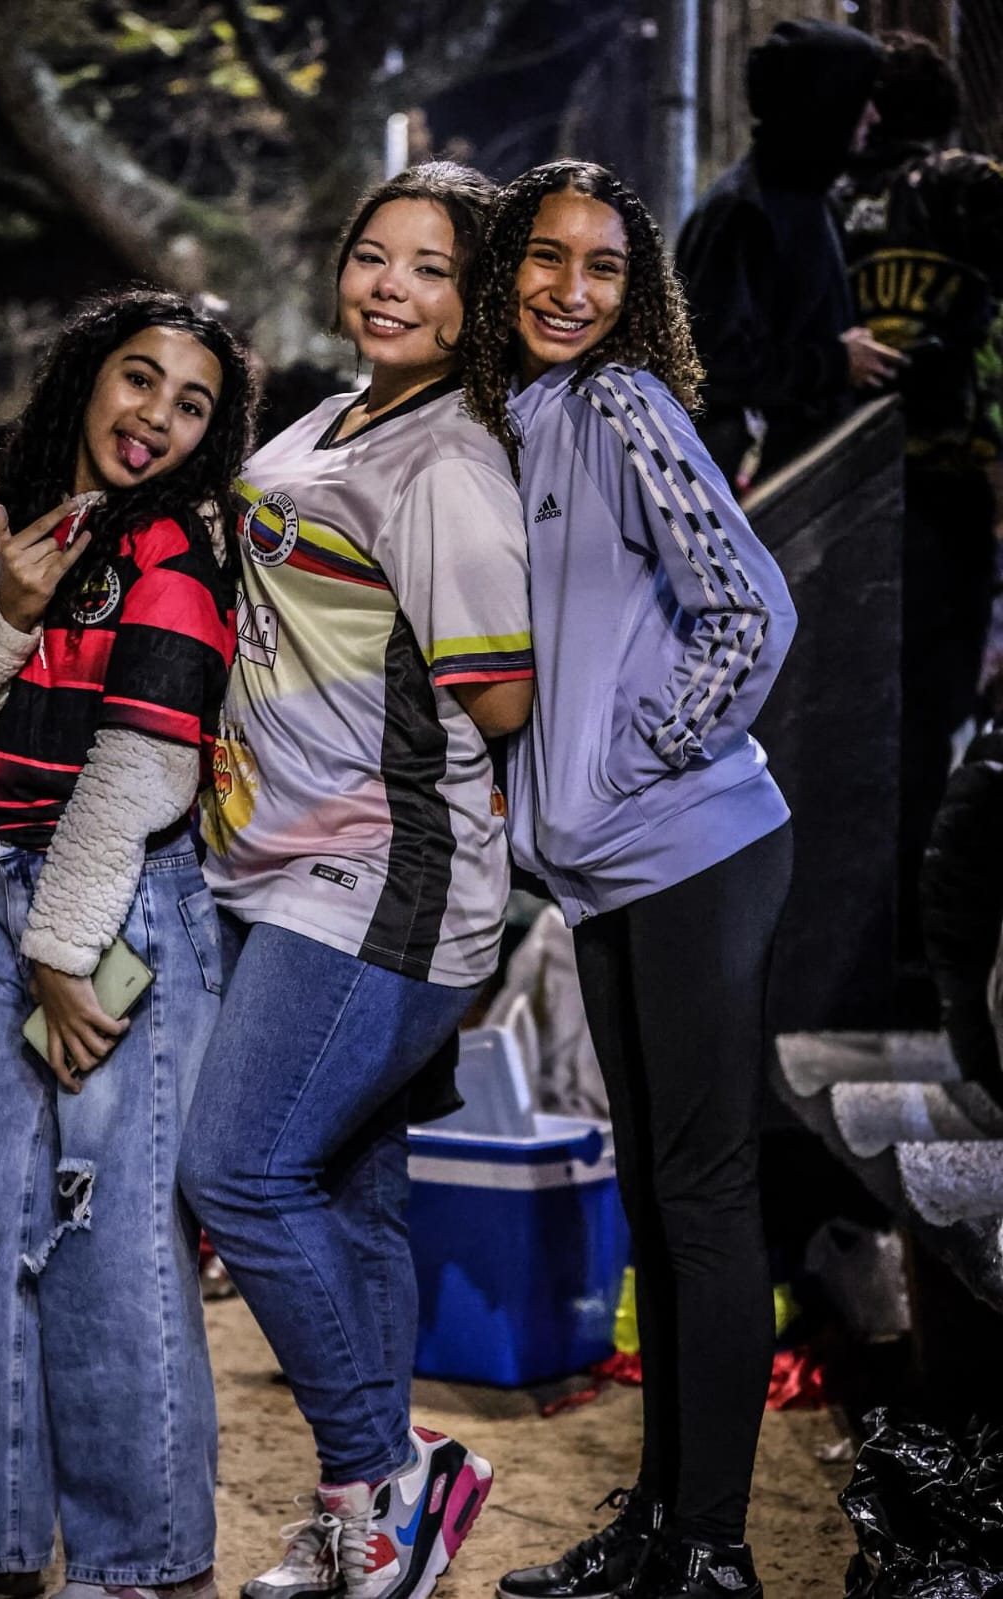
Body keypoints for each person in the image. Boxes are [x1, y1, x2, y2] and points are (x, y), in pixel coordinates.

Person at [177, 163, 534, 1599]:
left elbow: (502, 701)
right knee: (352, 1189)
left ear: (478, 299)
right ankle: (380, 1516)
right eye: (374, 254)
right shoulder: (338, 413)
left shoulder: (449, 463)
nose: (391, 285)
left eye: (433, 268)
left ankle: (380, 1479)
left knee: (241, 1171)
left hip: (381, 871)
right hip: (279, 858)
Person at [0, 288, 253, 1599]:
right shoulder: (13, 529)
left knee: (106, 1235)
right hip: (24, 899)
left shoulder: (178, 553)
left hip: (118, 911)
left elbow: (145, 769)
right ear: (89, 374)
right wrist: (9, 608)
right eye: (139, 378)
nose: (157, 415)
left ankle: (140, 1561)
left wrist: (57, 951)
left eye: (192, 403)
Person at [463, 160, 797, 1599]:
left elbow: (751, 606)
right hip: (614, 871)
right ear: (507, 270)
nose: (571, 289)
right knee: (658, 1205)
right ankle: (661, 1525)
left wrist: (627, 762)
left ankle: (713, 1549)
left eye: (603, 266)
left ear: (637, 289)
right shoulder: (528, 415)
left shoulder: (618, 403)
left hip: (695, 845)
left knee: (702, 1198)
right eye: (546, 257)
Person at [835, 30, 1003, 966]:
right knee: (935, 721)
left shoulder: (821, 198)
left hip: (845, 493)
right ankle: (921, 940)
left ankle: (873, 939)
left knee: (855, 722)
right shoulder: (967, 187)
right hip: (949, 486)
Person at [676, 19, 904, 490]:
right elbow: (712, 364)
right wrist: (835, 363)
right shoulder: (741, 213)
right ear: (826, 102)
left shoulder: (809, 198)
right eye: (862, 98)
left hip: (809, 481)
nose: (874, 116)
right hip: (762, 497)